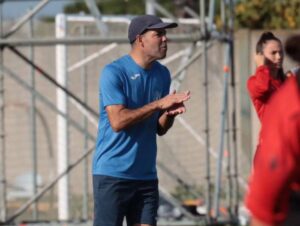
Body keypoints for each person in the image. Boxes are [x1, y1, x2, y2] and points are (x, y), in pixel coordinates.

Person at [92, 15, 191, 226]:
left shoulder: (162, 74)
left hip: (146, 176)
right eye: (159, 34)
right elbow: (118, 122)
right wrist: (158, 105)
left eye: (165, 34)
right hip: (112, 175)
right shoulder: (114, 72)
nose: (165, 39)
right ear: (140, 40)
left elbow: (159, 129)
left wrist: (169, 114)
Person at [245, 34, 300, 226]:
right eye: (273, 53)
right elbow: (261, 88)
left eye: (281, 53)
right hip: (271, 153)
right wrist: (262, 66)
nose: (278, 57)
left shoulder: (288, 82)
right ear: (261, 55)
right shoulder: (256, 81)